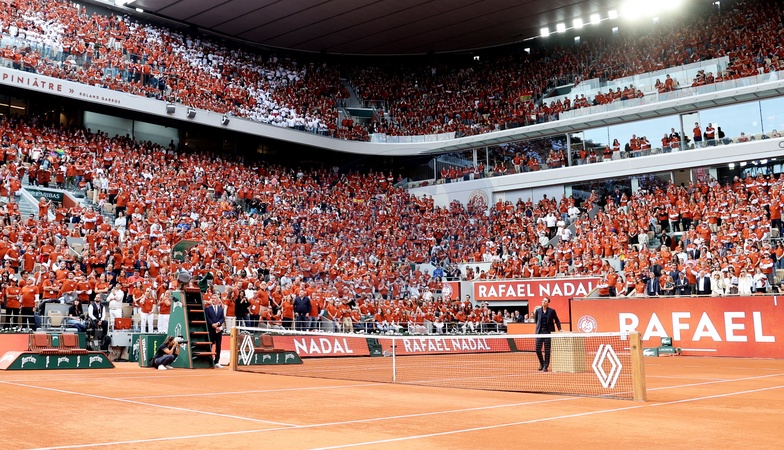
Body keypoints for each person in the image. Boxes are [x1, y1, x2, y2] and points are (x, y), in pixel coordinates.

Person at [533, 297, 562, 372]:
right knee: (537, 349)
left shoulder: (552, 311)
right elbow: (536, 321)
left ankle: (546, 366)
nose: (543, 302)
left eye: (545, 301)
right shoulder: (538, 311)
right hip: (539, 333)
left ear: (548, 303)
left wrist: (559, 329)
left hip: (548, 333)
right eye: (543, 300)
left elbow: (557, 320)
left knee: (547, 350)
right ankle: (542, 363)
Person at [204, 295, 225, 368]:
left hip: (218, 330)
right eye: (212, 298)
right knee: (209, 345)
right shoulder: (207, 309)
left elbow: (222, 318)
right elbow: (207, 318)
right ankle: (208, 360)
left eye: (215, 298)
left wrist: (218, 324)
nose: (213, 300)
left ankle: (217, 361)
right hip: (210, 330)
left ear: (217, 300)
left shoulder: (220, 309)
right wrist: (212, 324)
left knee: (218, 346)